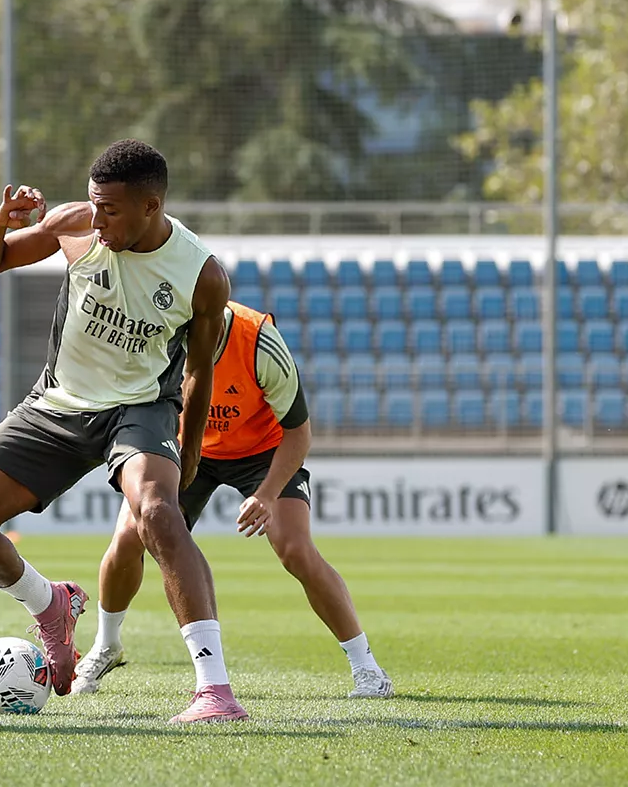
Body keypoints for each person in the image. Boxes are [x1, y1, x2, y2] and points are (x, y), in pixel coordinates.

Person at [0, 139, 247, 723]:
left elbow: (198, 369)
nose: (99, 217)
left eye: (111, 209)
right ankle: (50, 603)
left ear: (151, 205)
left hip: (139, 407)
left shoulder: (201, 276)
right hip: (57, 405)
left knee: (158, 513)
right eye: (94, 203)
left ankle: (214, 689)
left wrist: (188, 453)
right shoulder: (75, 226)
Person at [74, 300, 394, 699]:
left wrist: (266, 494)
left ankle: (367, 668)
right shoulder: (158, 333)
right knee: (127, 539)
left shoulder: (260, 343)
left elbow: (299, 432)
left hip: (263, 452)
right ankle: (107, 645)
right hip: (188, 445)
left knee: (295, 548)